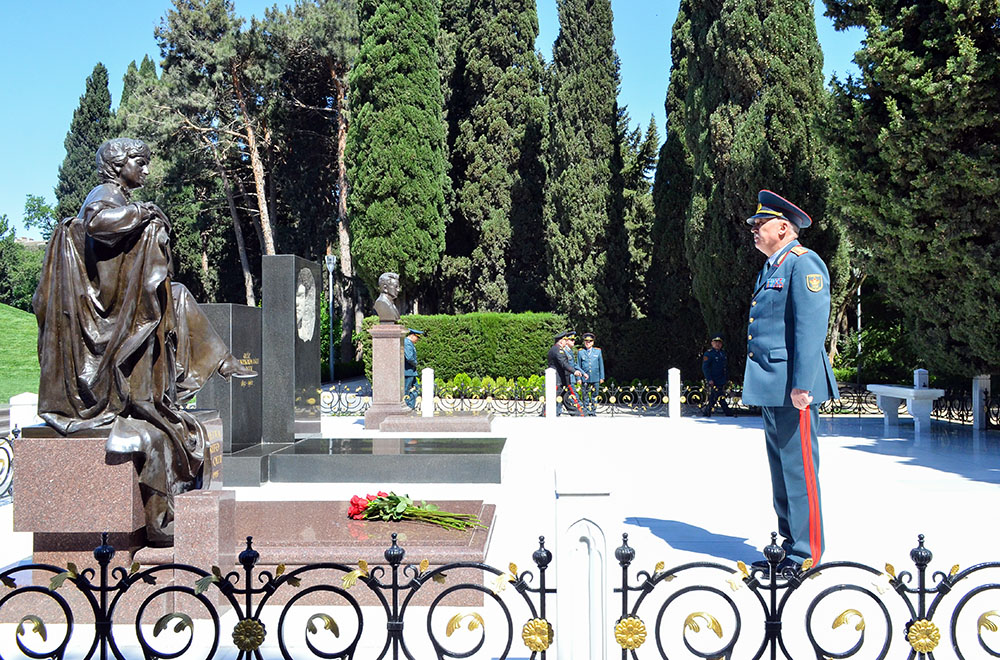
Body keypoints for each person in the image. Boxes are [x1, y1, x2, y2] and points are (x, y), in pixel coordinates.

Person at [33, 137, 253, 545]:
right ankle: (203, 370)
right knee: (175, 296)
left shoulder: (116, 195)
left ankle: (217, 361)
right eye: (141, 162)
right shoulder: (103, 195)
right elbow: (96, 224)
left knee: (179, 294)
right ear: (118, 165)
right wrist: (142, 212)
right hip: (107, 317)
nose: (147, 170)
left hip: (120, 308)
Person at [741, 190, 839, 574]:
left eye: (759, 224)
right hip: (772, 384)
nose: (753, 229)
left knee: (800, 471)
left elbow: (811, 329)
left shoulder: (803, 263)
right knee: (782, 470)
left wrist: (802, 385)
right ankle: (787, 547)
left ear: (783, 227)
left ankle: (806, 553)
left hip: (792, 387)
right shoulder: (772, 267)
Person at [547, 331, 583, 416]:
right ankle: (545, 413)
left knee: (566, 398)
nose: (566, 342)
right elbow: (564, 363)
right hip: (558, 378)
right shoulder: (558, 350)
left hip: (561, 379)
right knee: (555, 397)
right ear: (561, 341)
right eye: (565, 340)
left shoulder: (554, 349)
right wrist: (574, 371)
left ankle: (577, 414)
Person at [701, 335, 733, 417]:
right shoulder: (709, 354)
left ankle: (707, 412)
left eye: (719, 343)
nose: (717, 344)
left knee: (716, 396)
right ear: (712, 343)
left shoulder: (723, 353)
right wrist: (709, 379)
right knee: (717, 396)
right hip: (713, 379)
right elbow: (705, 368)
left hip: (721, 379)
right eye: (715, 342)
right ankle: (727, 412)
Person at [575, 332, 604, 416]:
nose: (588, 343)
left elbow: (601, 365)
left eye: (590, 341)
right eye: (586, 341)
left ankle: (593, 411)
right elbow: (578, 366)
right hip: (585, 378)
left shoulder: (598, 352)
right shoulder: (581, 352)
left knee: (595, 395)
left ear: (593, 342)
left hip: (595, 377)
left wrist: (602, 377)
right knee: (585, 395)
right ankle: (587, 410)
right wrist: (579, 378)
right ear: (584, 342)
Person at [403, 328, 423, 409]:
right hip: (408, 372)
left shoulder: (409, 343)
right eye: (417, 337)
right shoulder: (407, 343)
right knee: (407, 391)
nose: (417, 340)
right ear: (412, 336)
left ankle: (411, 406)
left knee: (415, 389)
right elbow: (409, 357)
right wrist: (415, 363)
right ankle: (407, 407)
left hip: (410, 372)